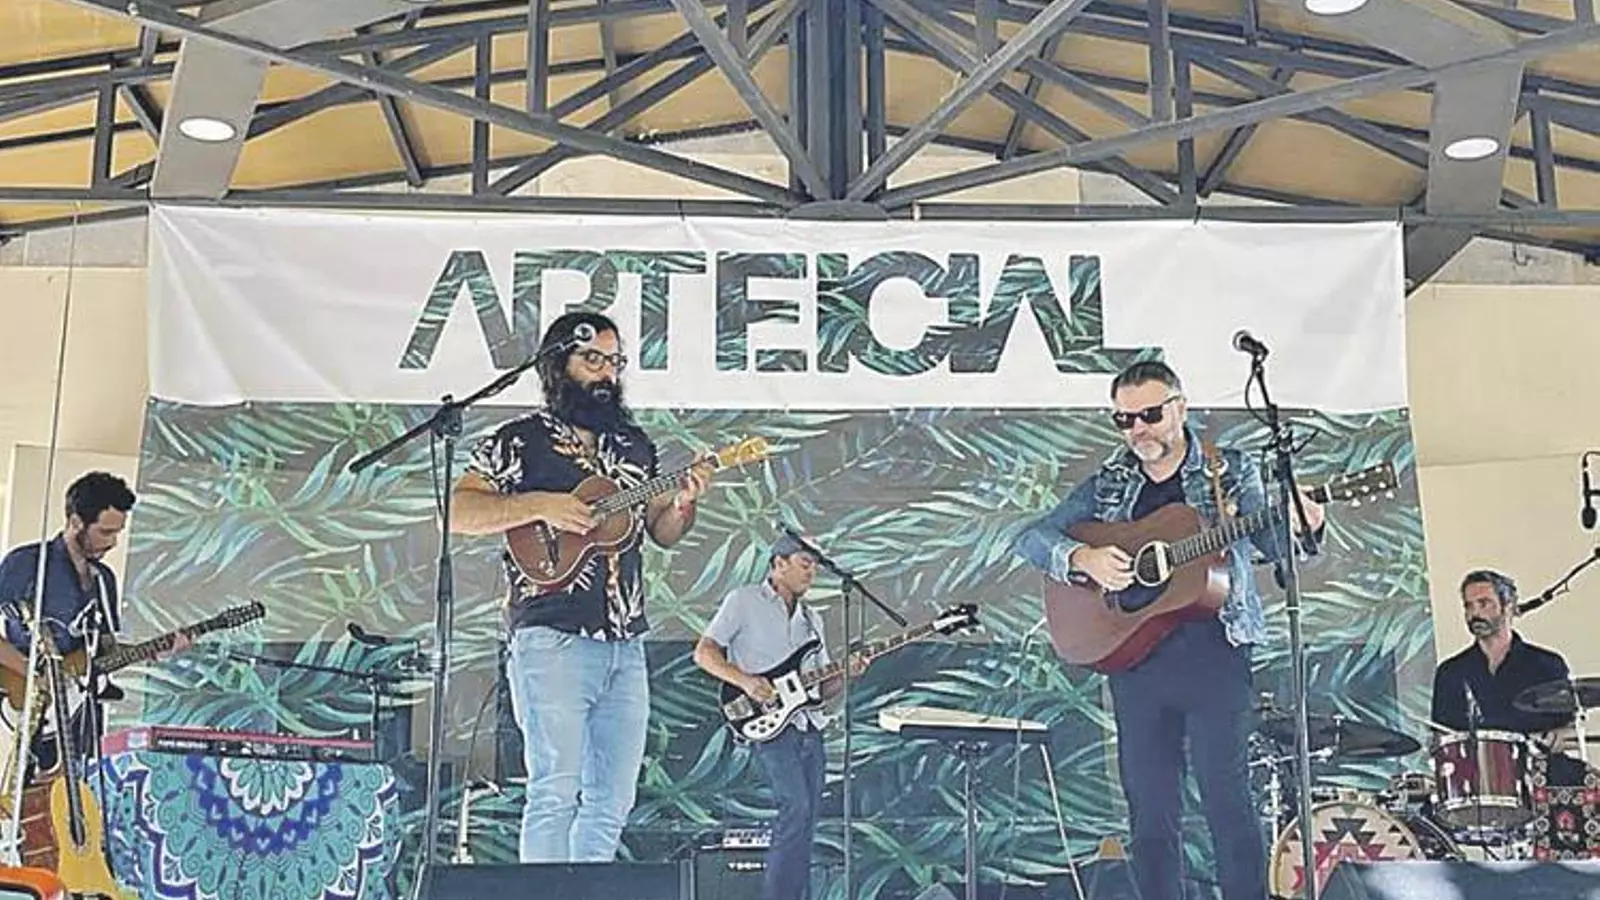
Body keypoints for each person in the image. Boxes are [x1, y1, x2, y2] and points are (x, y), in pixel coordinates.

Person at [1011, 360, 1324, 900]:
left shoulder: (1230, 469)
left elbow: (1272, 547)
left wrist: (1304, 526)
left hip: (1216, 656)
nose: (1138, 430)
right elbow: (1030, 538)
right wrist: (1082, 557)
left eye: (1150, 415)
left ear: (1181, 407)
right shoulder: (1110, 480)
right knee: (1150, 812)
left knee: (1228, 803)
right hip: (1135, 660)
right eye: (1124, 419)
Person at [451, 311, 711, 863]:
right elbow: (459, 511)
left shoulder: (634, 446)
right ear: (557, 365)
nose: (606, 374)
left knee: (612, 799)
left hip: (626, 641)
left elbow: (662, 531)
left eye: (614, 362)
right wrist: (541, 505)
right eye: (593, 359)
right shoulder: (519, 441)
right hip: (552, 635)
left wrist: (684, 504)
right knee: (555, 789)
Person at [693, 531, 866, 900]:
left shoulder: (811, 619)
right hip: (767, 724)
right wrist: (745, 681)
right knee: (796, 808)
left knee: (806, 818)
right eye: (805, 564)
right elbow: (704, 652)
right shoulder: (743, 601)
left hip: (808, 725)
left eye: (815, 566)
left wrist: (847, 673)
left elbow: (820, 691)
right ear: (778, 564)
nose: (811, 572)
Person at [0, 472, 185, 792]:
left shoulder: (104, 579)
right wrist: (31, 673)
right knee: (29, 798)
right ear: (75, 521)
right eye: (105, 531)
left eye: (118, 532)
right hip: (30, 706)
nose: (112, 542)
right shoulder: (27, 563)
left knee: (80, 798)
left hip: (83, 714)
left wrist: (154, 650)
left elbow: (105, 649)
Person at [1431, 569, 1572, 737]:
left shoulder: (1546, 665)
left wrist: (1553, 738)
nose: (1474, 613)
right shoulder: (1450, 672)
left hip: (1536, 754)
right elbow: (1441, 736)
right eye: (1468, 606)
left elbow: (1569, 730)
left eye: (1484, 604)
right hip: (1474, 755)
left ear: (1508, 607)